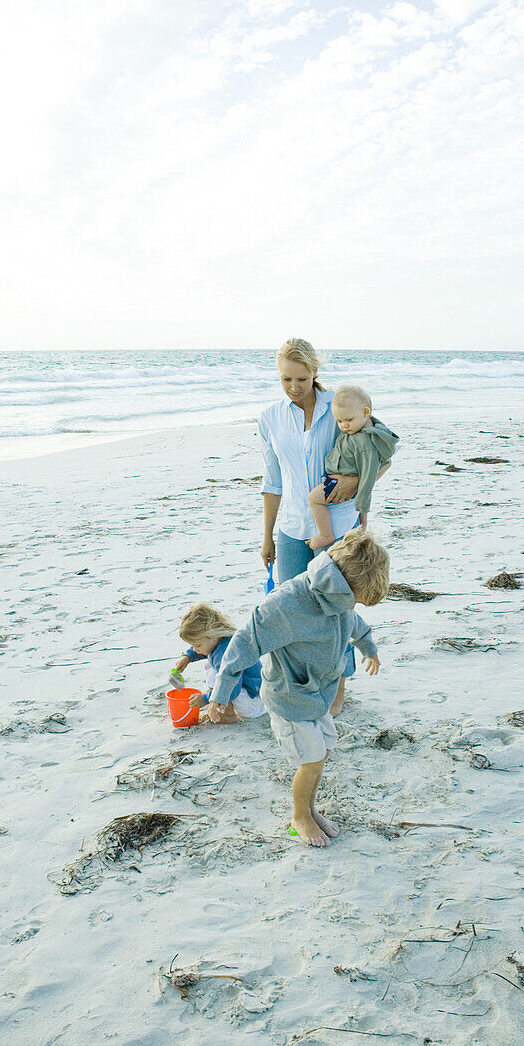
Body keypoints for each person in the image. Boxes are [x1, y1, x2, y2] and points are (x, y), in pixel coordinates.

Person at [209, 528, 390, 847]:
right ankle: (299, 816)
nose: (355, 606)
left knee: (323, 751)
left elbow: (354, 623)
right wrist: (220, 695)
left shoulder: (339, 600)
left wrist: (369, 648)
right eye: (356, 600)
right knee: (311, 761)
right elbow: (244, 643)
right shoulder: (288, 604)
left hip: (317, 697)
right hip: (289, 699)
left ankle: (309, 807)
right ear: (344, 588)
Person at [259, 337, 377, 716]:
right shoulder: (270, 417)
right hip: (292, 529)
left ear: (315, 373)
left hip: (339, 527)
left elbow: (383, 452)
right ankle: (301, 686)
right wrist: (268, 538)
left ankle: (339, 689)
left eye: (301, 379)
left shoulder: (341, 405)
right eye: (286, 380)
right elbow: (272, 481)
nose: (294, 387)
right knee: (290, 611)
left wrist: (357, 484)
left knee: (336, 612)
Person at [307, 383, 398, 551]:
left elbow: (368, 475)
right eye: (339, 421)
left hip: (341, 484)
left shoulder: (364, 443)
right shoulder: (359, 431)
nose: (344, 426)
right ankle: (362, 526)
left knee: (314, 499)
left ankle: (325, 534)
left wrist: (363, 503)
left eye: (348, 420)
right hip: (348, 482)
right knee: (360, 514)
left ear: (365, 412)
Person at [173, 602, 267, 725]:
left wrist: (207, 699)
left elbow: (232, 689)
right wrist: (188, 656)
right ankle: (222, 707)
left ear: (212, 635)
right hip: (253, 693)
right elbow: (205, 649)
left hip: (254, 704)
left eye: (198, 645)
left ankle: (226, 715)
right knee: (212, 669)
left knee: (214, 674)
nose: (195, 649)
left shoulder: (225, 654)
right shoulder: (220, 640)